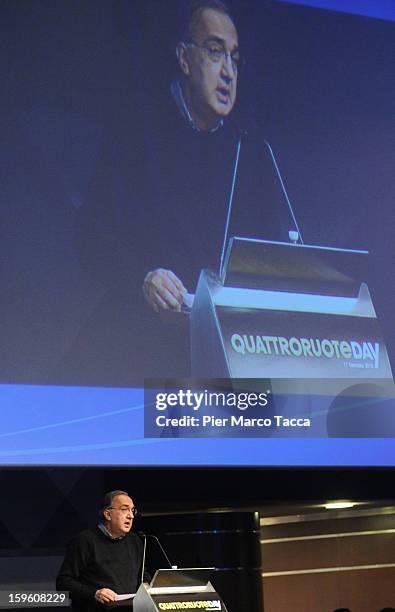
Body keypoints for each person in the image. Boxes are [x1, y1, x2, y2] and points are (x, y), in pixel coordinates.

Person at [59, 0, 292, 385]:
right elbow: (90, 236)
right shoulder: (138, 132)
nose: (229, 73)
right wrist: (143, 278)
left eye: (235, 58)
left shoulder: (249, 150)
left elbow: (275, 258)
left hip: (221, 361)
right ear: (184, 58)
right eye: (215, 52)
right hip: (135, 350)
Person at [56, 490, 143, 611]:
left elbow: (143, 576)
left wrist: (148, 586)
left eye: (132, 510)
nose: (131, 515)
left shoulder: (135, 541)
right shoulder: (84, 541)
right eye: (124, 509)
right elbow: (63, 583)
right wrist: (95, 593)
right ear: (107, 514)